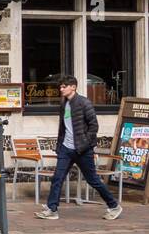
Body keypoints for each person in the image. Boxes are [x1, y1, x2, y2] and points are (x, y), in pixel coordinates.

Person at [36, 75, 122, 221]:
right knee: (57, 178)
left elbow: (94, 126)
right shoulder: (64, 104)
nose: (61, 89)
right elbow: (63, 128)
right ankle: (52, 209)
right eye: (61, 86)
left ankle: (114, 206)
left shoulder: (84, 103)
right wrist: (60, 146)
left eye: (64, 86)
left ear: (73, 87)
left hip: (82, 150)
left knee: (93, 180)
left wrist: (85, 143)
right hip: (66, 149)